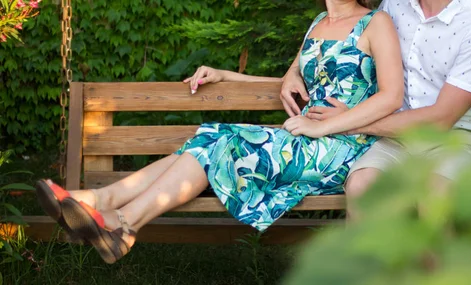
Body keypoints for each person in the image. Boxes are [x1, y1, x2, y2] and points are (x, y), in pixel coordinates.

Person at [35, 0, 404, 264]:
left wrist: (321, 125)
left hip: (344, 148)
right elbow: (293, 85)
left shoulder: (376, 23)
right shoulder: (318, 23)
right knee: (211, 139)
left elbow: (391, 96)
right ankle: (107, 210)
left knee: (217, 139)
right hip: (302, 140)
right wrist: (228, 75)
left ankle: (117, 217)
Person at [281, 0, 471, 219]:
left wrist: (345, 123)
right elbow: (346, 34)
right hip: (391, 137)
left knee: (433, 196)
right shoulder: (394, 5)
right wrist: (293, 71)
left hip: (454, 138)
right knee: (363, 187)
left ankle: (436, 260)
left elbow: (441, 120)